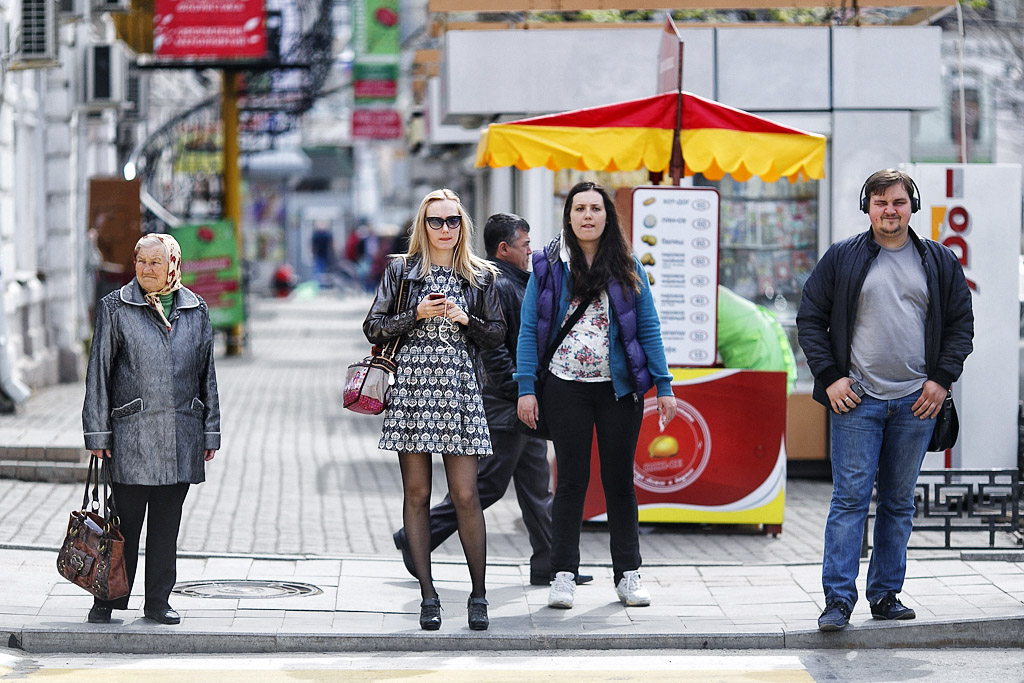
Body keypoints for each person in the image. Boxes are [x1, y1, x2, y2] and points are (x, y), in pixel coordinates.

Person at [796, 168, 974, 631]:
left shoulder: (938, 260)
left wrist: (941, 379)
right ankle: (837, 601)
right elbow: (811, 318)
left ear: (911, 205)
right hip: (856, 401)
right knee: (850, 499)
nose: (889, 210)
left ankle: (886, 595)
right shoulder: (843, 258)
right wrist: (831, 377)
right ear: (867, 208)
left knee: (897, 502)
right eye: (880, 203)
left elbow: (960, 325)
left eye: (897, 202)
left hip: (917, 401)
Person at [391, 213, 593, 587]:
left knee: (536, 484)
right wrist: (519, 392)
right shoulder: (496, 283)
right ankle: (418, 535)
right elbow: (493, 349)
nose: (530, 252)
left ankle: (551, 561)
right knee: (486, 485)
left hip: (519, 401)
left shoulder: (518, 281)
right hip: (504, 403)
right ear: (504, 249)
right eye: (525, 246)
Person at [515, 181, 676, 610]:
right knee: (570, 482)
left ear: (608, 216)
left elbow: (649, 327)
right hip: (565, 388)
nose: (588, 215)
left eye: (596, 208)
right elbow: (529, 330)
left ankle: (628, 574)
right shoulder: (549, 266)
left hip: (618, 392)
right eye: (580, 208)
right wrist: (526, 388)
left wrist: (664, 385)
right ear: (568, 217)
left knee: (620, 482)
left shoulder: (628, 267)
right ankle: (562, 574)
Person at [363, 189, 506, 632]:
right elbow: (373, 325)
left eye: (452, 221)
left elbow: (498, 334)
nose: (444, 229)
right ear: (421, 227)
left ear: (463, 226)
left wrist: (466, 319)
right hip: (413, 393)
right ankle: (428, 596)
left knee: (466, 495)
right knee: (418, 496)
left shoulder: (481, 276)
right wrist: (416, 313)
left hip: (460, 391)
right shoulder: (401, 272)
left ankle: (478, 595)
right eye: (435, 221)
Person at [82, 233, 221, 626]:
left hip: (182, 434)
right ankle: (107, 598)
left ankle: (158, 601)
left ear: (172, 265)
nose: (146, 269)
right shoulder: (116, 306)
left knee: (166, 528)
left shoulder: (196, 310)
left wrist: (210, 431)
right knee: (123, 525)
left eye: (155, 263)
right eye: (141, 261)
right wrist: (97, 434)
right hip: (132, 435)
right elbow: (99, 374)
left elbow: (206, 373)